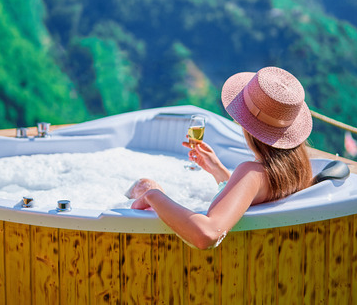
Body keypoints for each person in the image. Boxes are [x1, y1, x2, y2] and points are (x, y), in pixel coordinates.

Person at [128, 66, 314, 249]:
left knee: (144, 186)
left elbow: (207, 235)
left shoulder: (253, 172)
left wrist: (152, 196)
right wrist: (218, 170)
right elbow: (252, 195)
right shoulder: (298, 168)